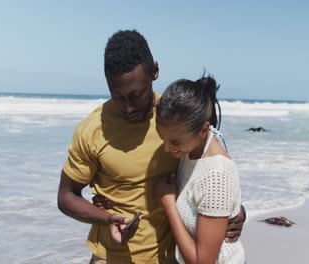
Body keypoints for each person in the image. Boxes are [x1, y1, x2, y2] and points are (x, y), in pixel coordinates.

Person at [57, 30, 245, 264]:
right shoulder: (92, 130)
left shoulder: (176, 118)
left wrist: (233, 211)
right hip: (115, 257)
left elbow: (209, 174)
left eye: (137, 95)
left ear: (155, 71)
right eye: (118, 96)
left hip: (174, 256)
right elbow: (66, 196)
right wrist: (105, 218)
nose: (128, 107)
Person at [154, 75, 245, 264]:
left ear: (204, 130)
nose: (166, 148)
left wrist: (169, 203)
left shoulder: (216, 175)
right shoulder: (191, 150)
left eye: (175, 142)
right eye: (163, 139)